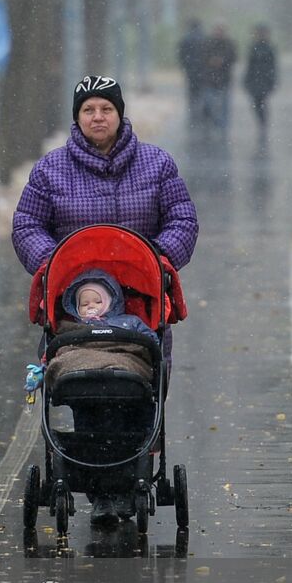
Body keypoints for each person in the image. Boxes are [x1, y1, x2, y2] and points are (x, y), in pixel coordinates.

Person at [12, 74, 199, 524]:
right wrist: (53, 265)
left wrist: (156, 261)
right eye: (89, 110)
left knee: (136, 388)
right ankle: (99, 484)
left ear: (120, 113)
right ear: (77, 118)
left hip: (138, 306)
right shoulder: (50, 171)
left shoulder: (156, 165)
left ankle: (129, 472)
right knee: (86, 387)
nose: (98, 117)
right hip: (78, 308)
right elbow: (26, 226)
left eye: (106, 109)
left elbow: (182, 219)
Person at [61, 269, 156, 338]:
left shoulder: (129, 321)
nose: (90, 306)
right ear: (77, 307)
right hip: (83, 357)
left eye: (98, 302)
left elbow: (149, 339)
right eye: (84, 304)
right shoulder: (71, 325)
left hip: (119, 354)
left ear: (109, 303)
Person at [198, 24, 238, 135]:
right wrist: (210, 61)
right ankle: (217, 122)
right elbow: (202, 58)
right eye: (217, 30)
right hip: (209, 79)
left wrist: (223, 61)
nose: (218, 32)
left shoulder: (229, 44)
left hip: (225, 79)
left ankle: (224, 126)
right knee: (209, 103)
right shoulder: (207, 43)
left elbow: (234, 58)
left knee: (225, 104)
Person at [242, 24, 279, 141]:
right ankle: (261, 121)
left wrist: (272, 80)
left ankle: (263, 123)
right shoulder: (253, 47)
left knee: (262, 102)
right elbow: (249, 66)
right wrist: (246, 80)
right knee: (256, 103)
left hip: (265, 80)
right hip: (254, 80)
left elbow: (273, 66)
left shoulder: (270, 48)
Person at [176, 19, 207, 124]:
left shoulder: (186, 38)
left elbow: (181, 54)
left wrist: (185, 65)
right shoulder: (204, 38)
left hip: (190, 70)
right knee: (202, 92)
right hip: (203, 71)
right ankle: (202, 113)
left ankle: (193, 113)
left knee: (192, 92)